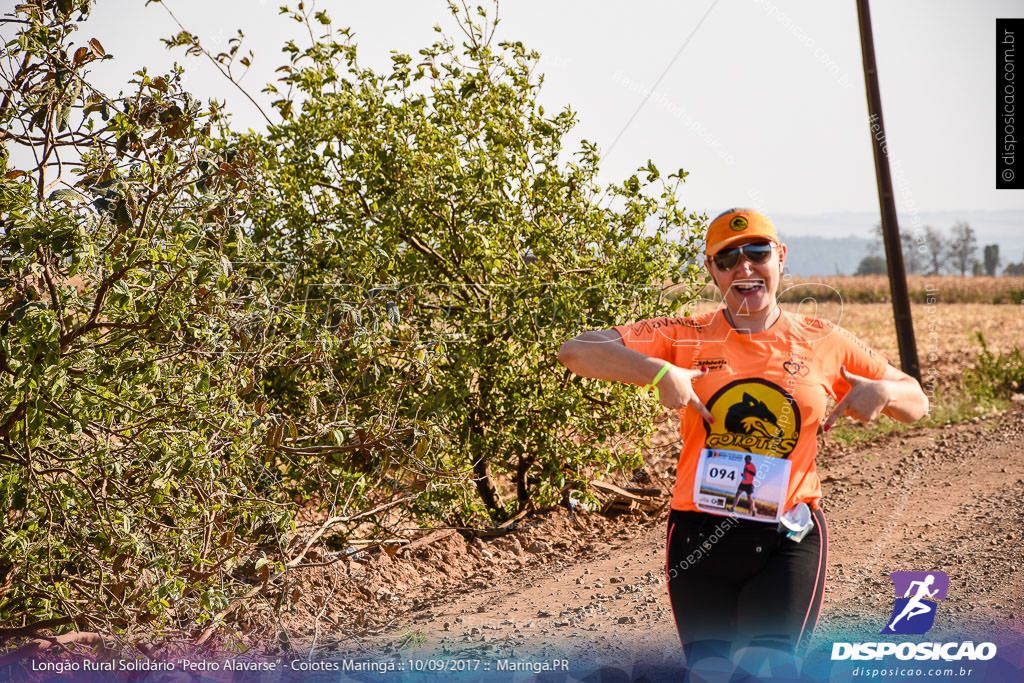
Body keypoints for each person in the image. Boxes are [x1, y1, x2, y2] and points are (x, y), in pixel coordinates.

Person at [557, 208, 928, 663]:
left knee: (764, 670)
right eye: (728, 258)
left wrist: (885, 391)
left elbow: (917, 401)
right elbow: (576, 350)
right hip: (698, 535)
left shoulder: (824, 340)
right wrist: (657, 372)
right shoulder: (685, 334)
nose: (744, 267)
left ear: (781, 257)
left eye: (757, 252)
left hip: (786, 539)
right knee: (709, 673)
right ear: (711, 270)